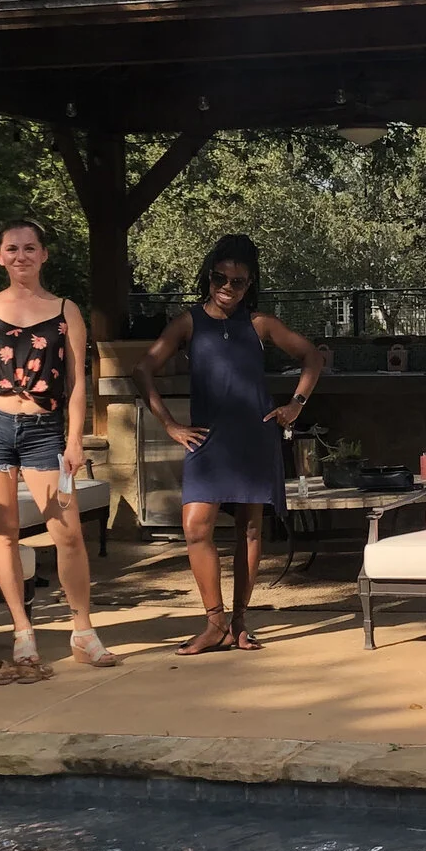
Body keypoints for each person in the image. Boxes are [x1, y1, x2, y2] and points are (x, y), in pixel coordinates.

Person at [132, 234, 328, 655]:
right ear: (209, 276)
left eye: (238, 282)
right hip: (206, 440)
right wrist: (168, 423)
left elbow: (313, 357)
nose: (227, 287)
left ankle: (239, 623)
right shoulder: (188, 322)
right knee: (195, 527)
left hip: (253, 438)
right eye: (220, 277)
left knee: (250, 528)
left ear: (250, 284)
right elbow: (144, 368)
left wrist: (295, 404)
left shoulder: (260, 324)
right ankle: (214, 622)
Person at [0, 220, 112, 678]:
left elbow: (77, 382)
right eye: (12, 249)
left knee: (67, 531)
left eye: (30, 248)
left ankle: (84, 631)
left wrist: (75, 439)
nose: (21, 256)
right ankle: (22, 631)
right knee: (4, 531)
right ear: (0, 256)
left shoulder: (64, 310)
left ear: (43, 255)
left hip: (42, 428)